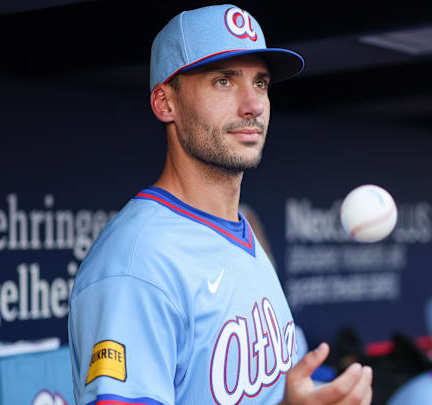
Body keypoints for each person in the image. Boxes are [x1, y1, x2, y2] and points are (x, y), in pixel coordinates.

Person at [68, 4, 373, 405]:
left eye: (261, 83)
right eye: (223, 82)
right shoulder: (137, 263)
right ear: (165, 103)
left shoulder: (243, 237)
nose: (253, 104)